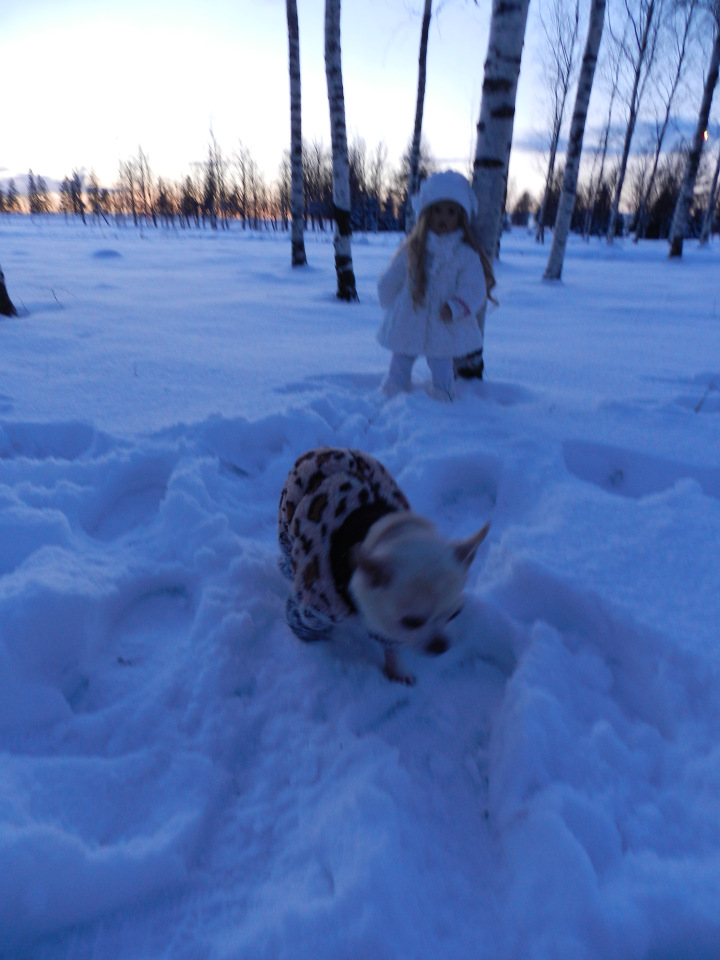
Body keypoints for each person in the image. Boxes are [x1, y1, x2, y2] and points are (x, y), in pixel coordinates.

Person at [377, 170, 495, 400]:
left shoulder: (465, 254)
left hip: (444, 321)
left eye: (451, 212)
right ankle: (393, 393)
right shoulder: (413, 247)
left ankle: (443, 397)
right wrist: (387, 294)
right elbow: (395, 274)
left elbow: (474, 288)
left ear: (461, 216)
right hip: (410, 314)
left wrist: (456, 306)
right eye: (437, 210)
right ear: (426, 213)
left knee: (441, 362)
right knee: (401, 358)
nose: (443, 217)